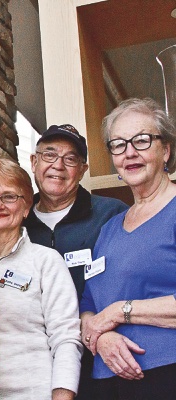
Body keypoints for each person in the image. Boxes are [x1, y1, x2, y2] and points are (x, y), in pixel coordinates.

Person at [80, 98, 176, 399]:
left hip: (167, 374)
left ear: (166, 151)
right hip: (109, 379)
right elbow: (88, 305)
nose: (130, 152)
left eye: (142, 140)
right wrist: (101, 335)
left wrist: (119, 312)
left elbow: (108, 310)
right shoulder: (110, 228)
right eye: (118, 144)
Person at [23, 124, 127, 398]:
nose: (58, 166)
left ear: (83, 169)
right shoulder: (16, 221)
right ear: (34, 162)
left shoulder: (112, 214)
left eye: (70, 159)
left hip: (102, 360)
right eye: (49, 155)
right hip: (35, 367)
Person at [0, 157, 82, 399]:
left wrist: (62, 395)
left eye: (9, 196)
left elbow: (66, 338)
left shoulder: (46, 261)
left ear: (26, 207)